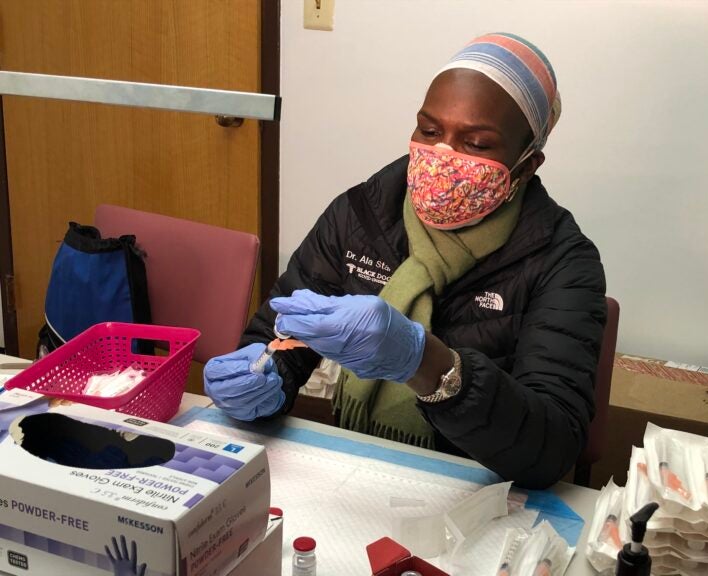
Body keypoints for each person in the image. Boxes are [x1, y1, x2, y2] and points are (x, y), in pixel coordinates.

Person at [204, 33, 606, 489]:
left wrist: (430, 365)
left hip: (478, 491)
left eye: (476, 143)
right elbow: (283, 330)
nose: (442, 156)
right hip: (359, 474)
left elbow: (550, 448)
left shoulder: (563, 262)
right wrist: (263, 377)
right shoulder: (361, 213)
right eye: (430, 131)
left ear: (527, 164)